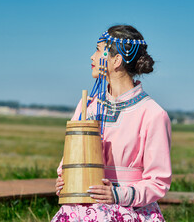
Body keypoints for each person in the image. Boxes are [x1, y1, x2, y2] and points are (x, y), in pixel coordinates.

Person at [51, 25, 171, 222]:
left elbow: (158, 182)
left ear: (117, 60)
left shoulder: (153, 114)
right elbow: (68, 161)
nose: (92, 57)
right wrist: (65, 180)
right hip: (78, 212)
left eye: (98, 50)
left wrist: (117, 195)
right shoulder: (86, 106)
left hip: (128, 212)